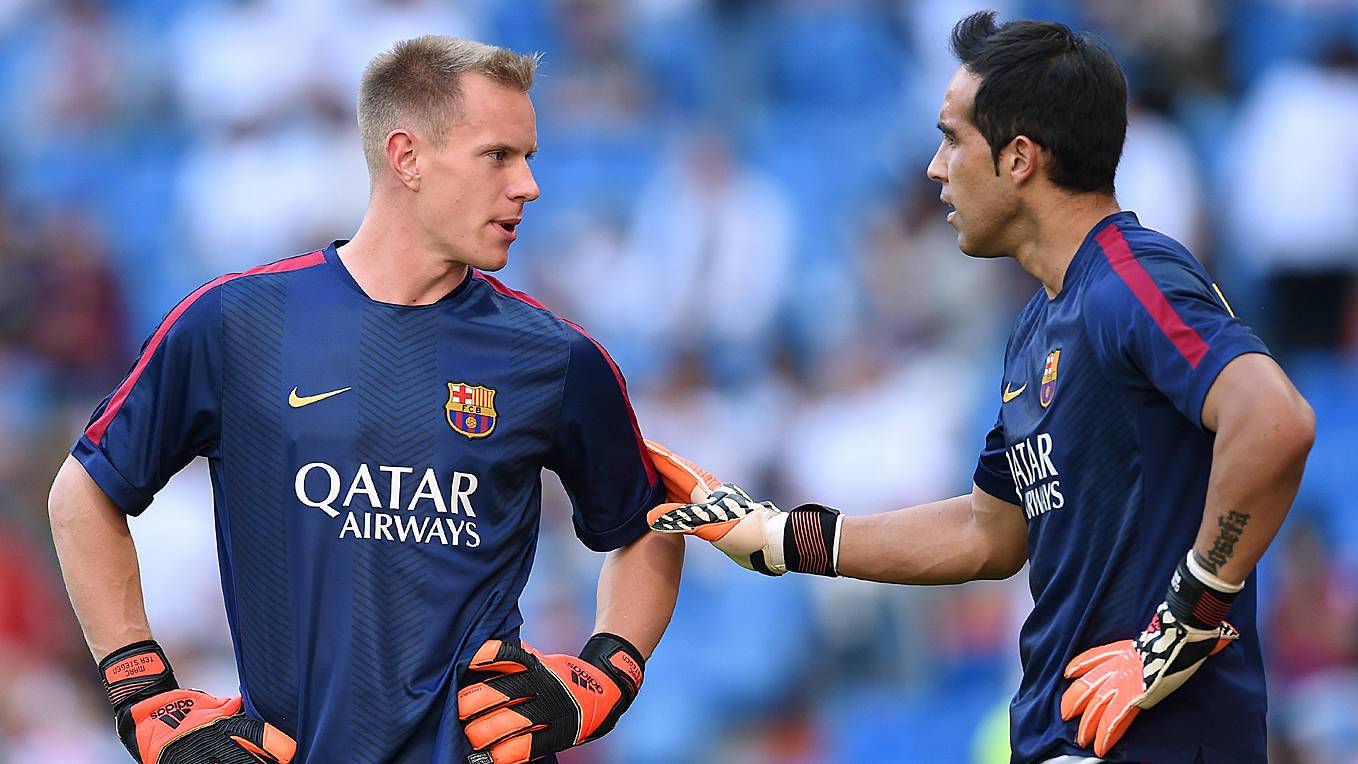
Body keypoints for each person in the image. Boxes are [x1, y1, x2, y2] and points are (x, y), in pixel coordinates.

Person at [649, 12, 1315, 764]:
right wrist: (776, 538)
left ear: (1020, 157)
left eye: (953, 138)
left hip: (1152, 741)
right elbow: (988, 533)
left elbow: (1273, 421)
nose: (936, 167)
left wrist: (1185, 620)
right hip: (1063, 734)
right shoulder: (1040, 322)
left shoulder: (1130, 280)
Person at [48, 36, 695, 764]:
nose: (528, 186)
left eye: (530, 158)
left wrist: (605, 673)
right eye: (498, 156)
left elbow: (649, 522)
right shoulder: (235, 323)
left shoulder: (554, 357)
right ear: (407, 156)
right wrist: (144, 692)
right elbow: (83, 495)